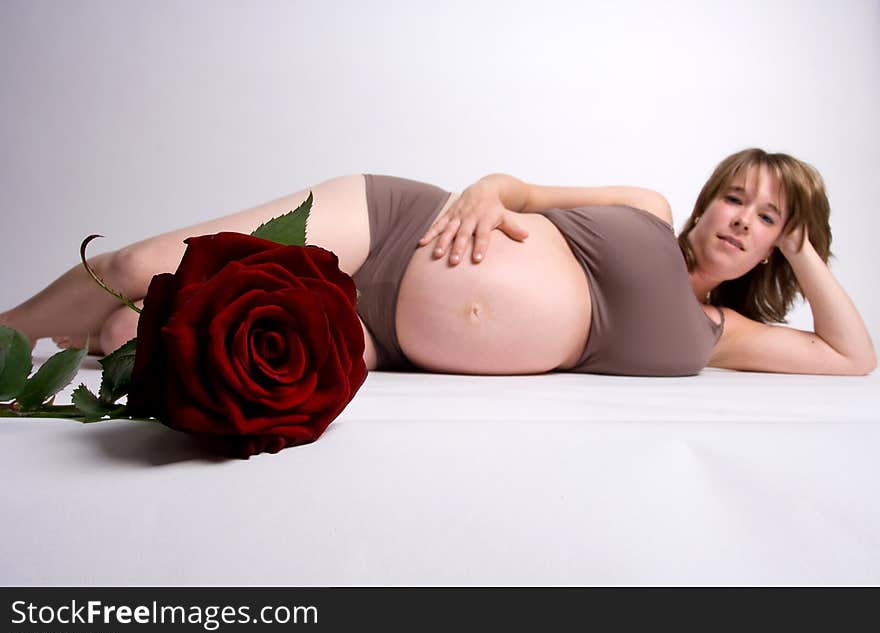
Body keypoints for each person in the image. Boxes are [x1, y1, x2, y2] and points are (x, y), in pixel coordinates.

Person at [1, 148, 875, 376]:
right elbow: (517, 188)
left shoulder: (720, 333)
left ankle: (77, 348)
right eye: (738, 197)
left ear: (776, 243)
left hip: (377, 339)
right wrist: (492, 187)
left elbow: (850, 358)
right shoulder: (644, 208)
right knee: (146, 264)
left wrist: (807, 246)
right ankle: (5, 336)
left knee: (137, 333)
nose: (743, 219)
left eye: (768, 218)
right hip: (392, 226)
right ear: (708, 196)